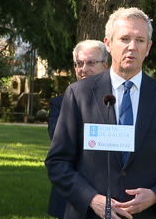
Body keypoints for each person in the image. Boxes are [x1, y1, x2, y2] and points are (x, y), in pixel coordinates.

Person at [45, 7, 156, 219]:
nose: (132, 47)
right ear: (108, 44)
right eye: (124, 39)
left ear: (148, 47)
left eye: (140, 40)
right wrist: (90, 199)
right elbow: (57, 162)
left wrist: (155, 195)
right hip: (89, 214)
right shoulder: (79, 95)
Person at [47, 39, 109, 218]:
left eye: (91, 63)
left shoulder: (115, 101)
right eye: (79, 63)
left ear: (105, 66)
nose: (84, 69)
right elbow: (59, 139)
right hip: (71, 193)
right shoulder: (59, 103)